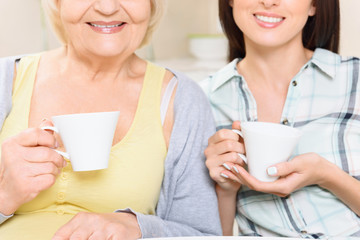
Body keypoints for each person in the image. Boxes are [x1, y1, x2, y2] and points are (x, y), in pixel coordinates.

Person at [0, 0, 222, 239]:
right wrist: (4, 196)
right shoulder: (6, 79)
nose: (107, 8)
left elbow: (203, 234)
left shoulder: (182, 99)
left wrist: (138, 227)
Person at [201, 0, 360, 237]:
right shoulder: (202, 99)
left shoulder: (354, 80)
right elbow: (213, 235)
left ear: (314, 5)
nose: (269, 1)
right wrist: (225, 188)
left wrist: (326, 175)